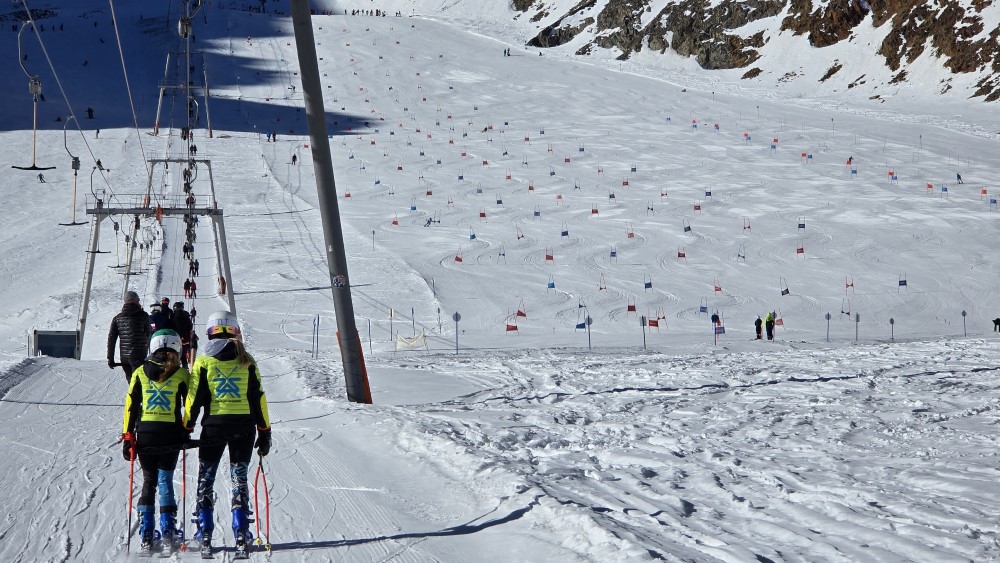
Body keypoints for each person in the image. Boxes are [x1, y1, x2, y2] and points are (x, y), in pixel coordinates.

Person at [186, 311, 271, 558]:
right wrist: (265, 431)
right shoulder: (247, 359)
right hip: (244, 428)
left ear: (209, 332)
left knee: (206, 479)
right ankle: (242, 531)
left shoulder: (203, 361)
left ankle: (204, 531)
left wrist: (186, 427)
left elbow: (194, 398)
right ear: (235, 330)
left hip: (214, 426)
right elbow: (258, 398)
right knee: (239, 479)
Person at [122, 329, 191, 556]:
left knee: (149, 480)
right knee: (165, 480)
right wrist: (186, 429)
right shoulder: (182, 374)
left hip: (146, 433)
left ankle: (146, 535)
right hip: (170, 433)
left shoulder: (140, 372)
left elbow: (131, 406)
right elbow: (190, 405)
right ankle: (168, 531)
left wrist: (128, 436)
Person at [108, 291, 151, 381]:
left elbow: (111, 339)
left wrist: (110, 359)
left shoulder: (117, 318)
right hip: (139, 357)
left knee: (131, 383)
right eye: (138, 300)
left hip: (124, 358)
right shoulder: (143, 316)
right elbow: (149, 335)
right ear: (135, 301)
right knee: (139, 383)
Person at [172, 302, 194, 369]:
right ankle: (185, 368)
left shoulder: (172, 316)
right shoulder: (186, 316)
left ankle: (175, 369)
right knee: (183, 355)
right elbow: (190, 327)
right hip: (185, 339)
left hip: (174, 339)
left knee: (174, 355)